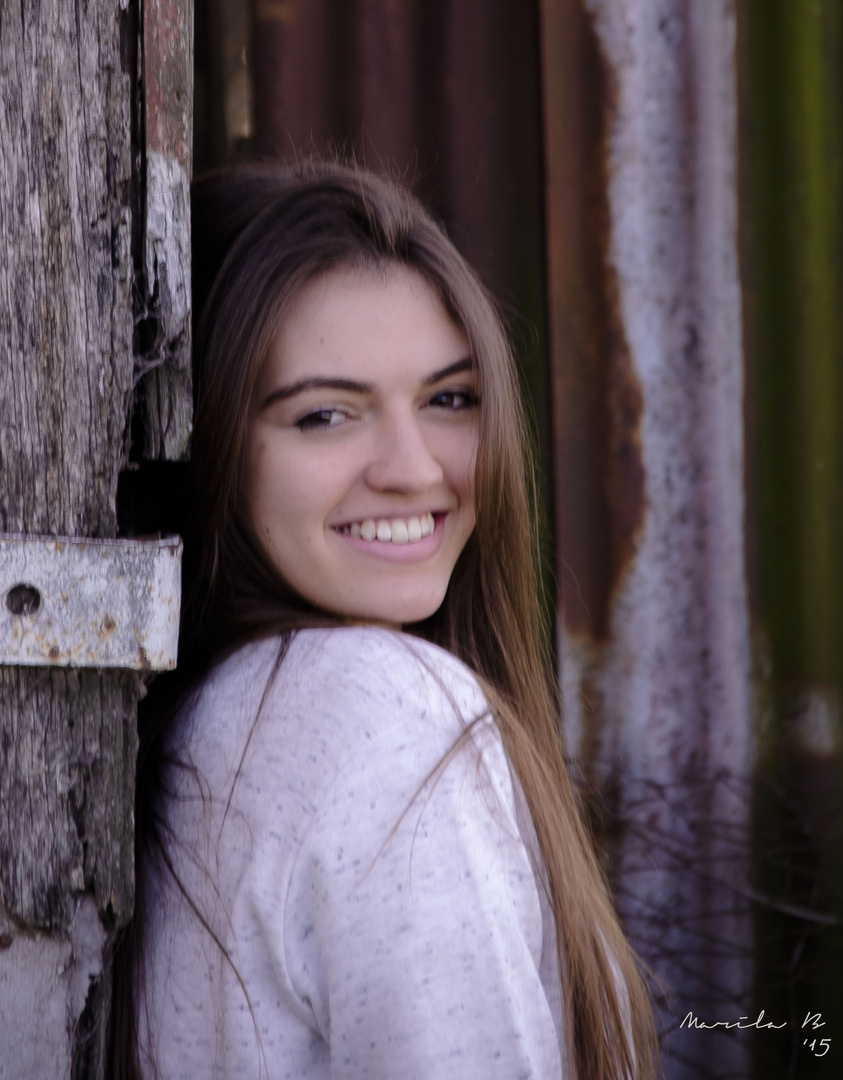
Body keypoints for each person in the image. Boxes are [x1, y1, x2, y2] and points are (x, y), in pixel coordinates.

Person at [113, 160, 658, 1080]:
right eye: (324, 415)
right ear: (203, 448)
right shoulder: (383, 714)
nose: (412, 468)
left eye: (449, 399)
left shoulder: (217, 716)